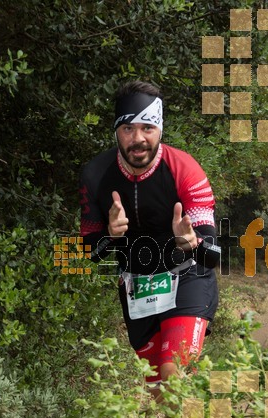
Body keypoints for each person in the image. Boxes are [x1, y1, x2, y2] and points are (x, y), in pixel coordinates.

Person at [79, 80, 220, 398]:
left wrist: (191, 243)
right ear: (115, 131)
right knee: (158, 390)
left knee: (174, 377)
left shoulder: (185, 170)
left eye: (147, 127)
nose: (138, 138)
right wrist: (110, 236)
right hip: (137, 288)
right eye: (128, 128)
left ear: (160, 129)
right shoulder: (95, 175)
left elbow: (213, 255)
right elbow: (92, 249)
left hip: (188, 280)